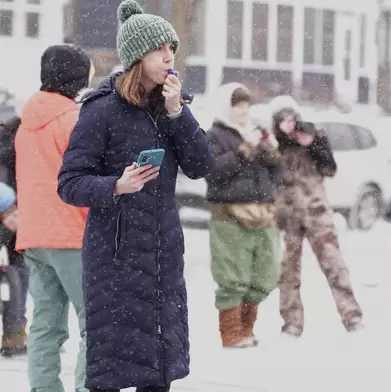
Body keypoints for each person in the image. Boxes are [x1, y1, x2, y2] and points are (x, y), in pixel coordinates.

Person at [57, 1, 214, 391]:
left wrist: (179, 113)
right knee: (111, 371)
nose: (168, 57)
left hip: (161, 256)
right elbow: (70, 182)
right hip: (115, 259)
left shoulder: (171, 108)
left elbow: (202, 164)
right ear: (137, 56)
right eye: (160, 49)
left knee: (158, 371)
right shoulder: (101, 110)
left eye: (172, 49)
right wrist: (115, 186)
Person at [15, 43, 93, 392]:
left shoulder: (26, 122)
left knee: (46, 325)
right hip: (72, 234)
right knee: (95, 323)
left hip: (34, 235)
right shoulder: (75, 119)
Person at [271, 95, 364, 338]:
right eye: (284, 121)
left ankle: (352, 316)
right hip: (288, 215)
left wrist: (313, 143)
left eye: (293, 120)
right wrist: (279, 139)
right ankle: (291, 322)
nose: (290, 126)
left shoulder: (312, 138)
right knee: (288, 271)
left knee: (334, 264)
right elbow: (266, 169)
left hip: (316, 212)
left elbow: (329, 168)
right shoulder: (274, 146)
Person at [205, 82, 281, 348]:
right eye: (238, 105)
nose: (243, 111)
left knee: (266, 276)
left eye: (247, 105)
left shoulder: (256, 132)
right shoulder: (214, 135)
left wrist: (271, 152)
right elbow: (213, 171)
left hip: (264, 215)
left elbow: (277, 176)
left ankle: (247, 329)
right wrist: (243, 150)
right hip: (230, 216)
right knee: (232, 276)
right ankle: (232, 332)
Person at [0, 116, 28, 347]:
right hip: (15, 212)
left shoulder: (8, 147)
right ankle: (14, 330)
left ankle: (14, 330)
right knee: (16, 273)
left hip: (10, 214)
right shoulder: (19, 147)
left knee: (13, 272)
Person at [0, 182, 26, 357]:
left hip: (9, 263)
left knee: (15, 283)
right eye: (10, 209)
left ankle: (12, 337)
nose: (14, 211)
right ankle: (12, 337)